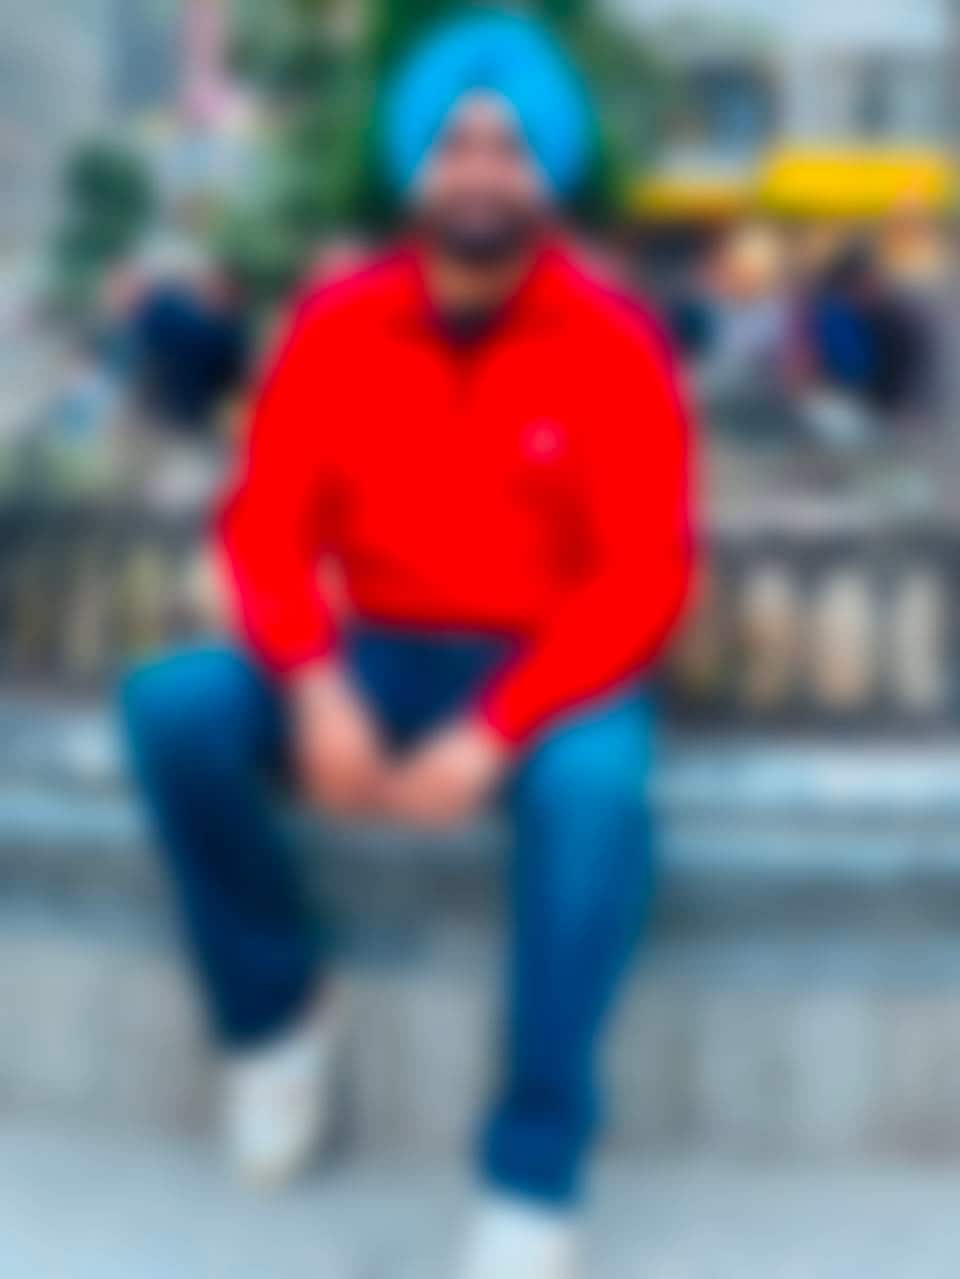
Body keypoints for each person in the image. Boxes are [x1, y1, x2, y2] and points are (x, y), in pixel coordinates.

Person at [121, 12, 694, 1277]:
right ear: (416, 167)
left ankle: (532, 1170)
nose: (480, 172)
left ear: (546, 172)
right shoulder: (338, 325)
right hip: (376, 649)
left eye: (509, 147)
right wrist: (314, 682)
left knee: (597, 798)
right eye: (455, 145)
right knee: (174, 710)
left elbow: (645, 575)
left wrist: (494, 732)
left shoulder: (613, 340)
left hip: (551, 669)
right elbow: (264, 525)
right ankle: (276, 1016)